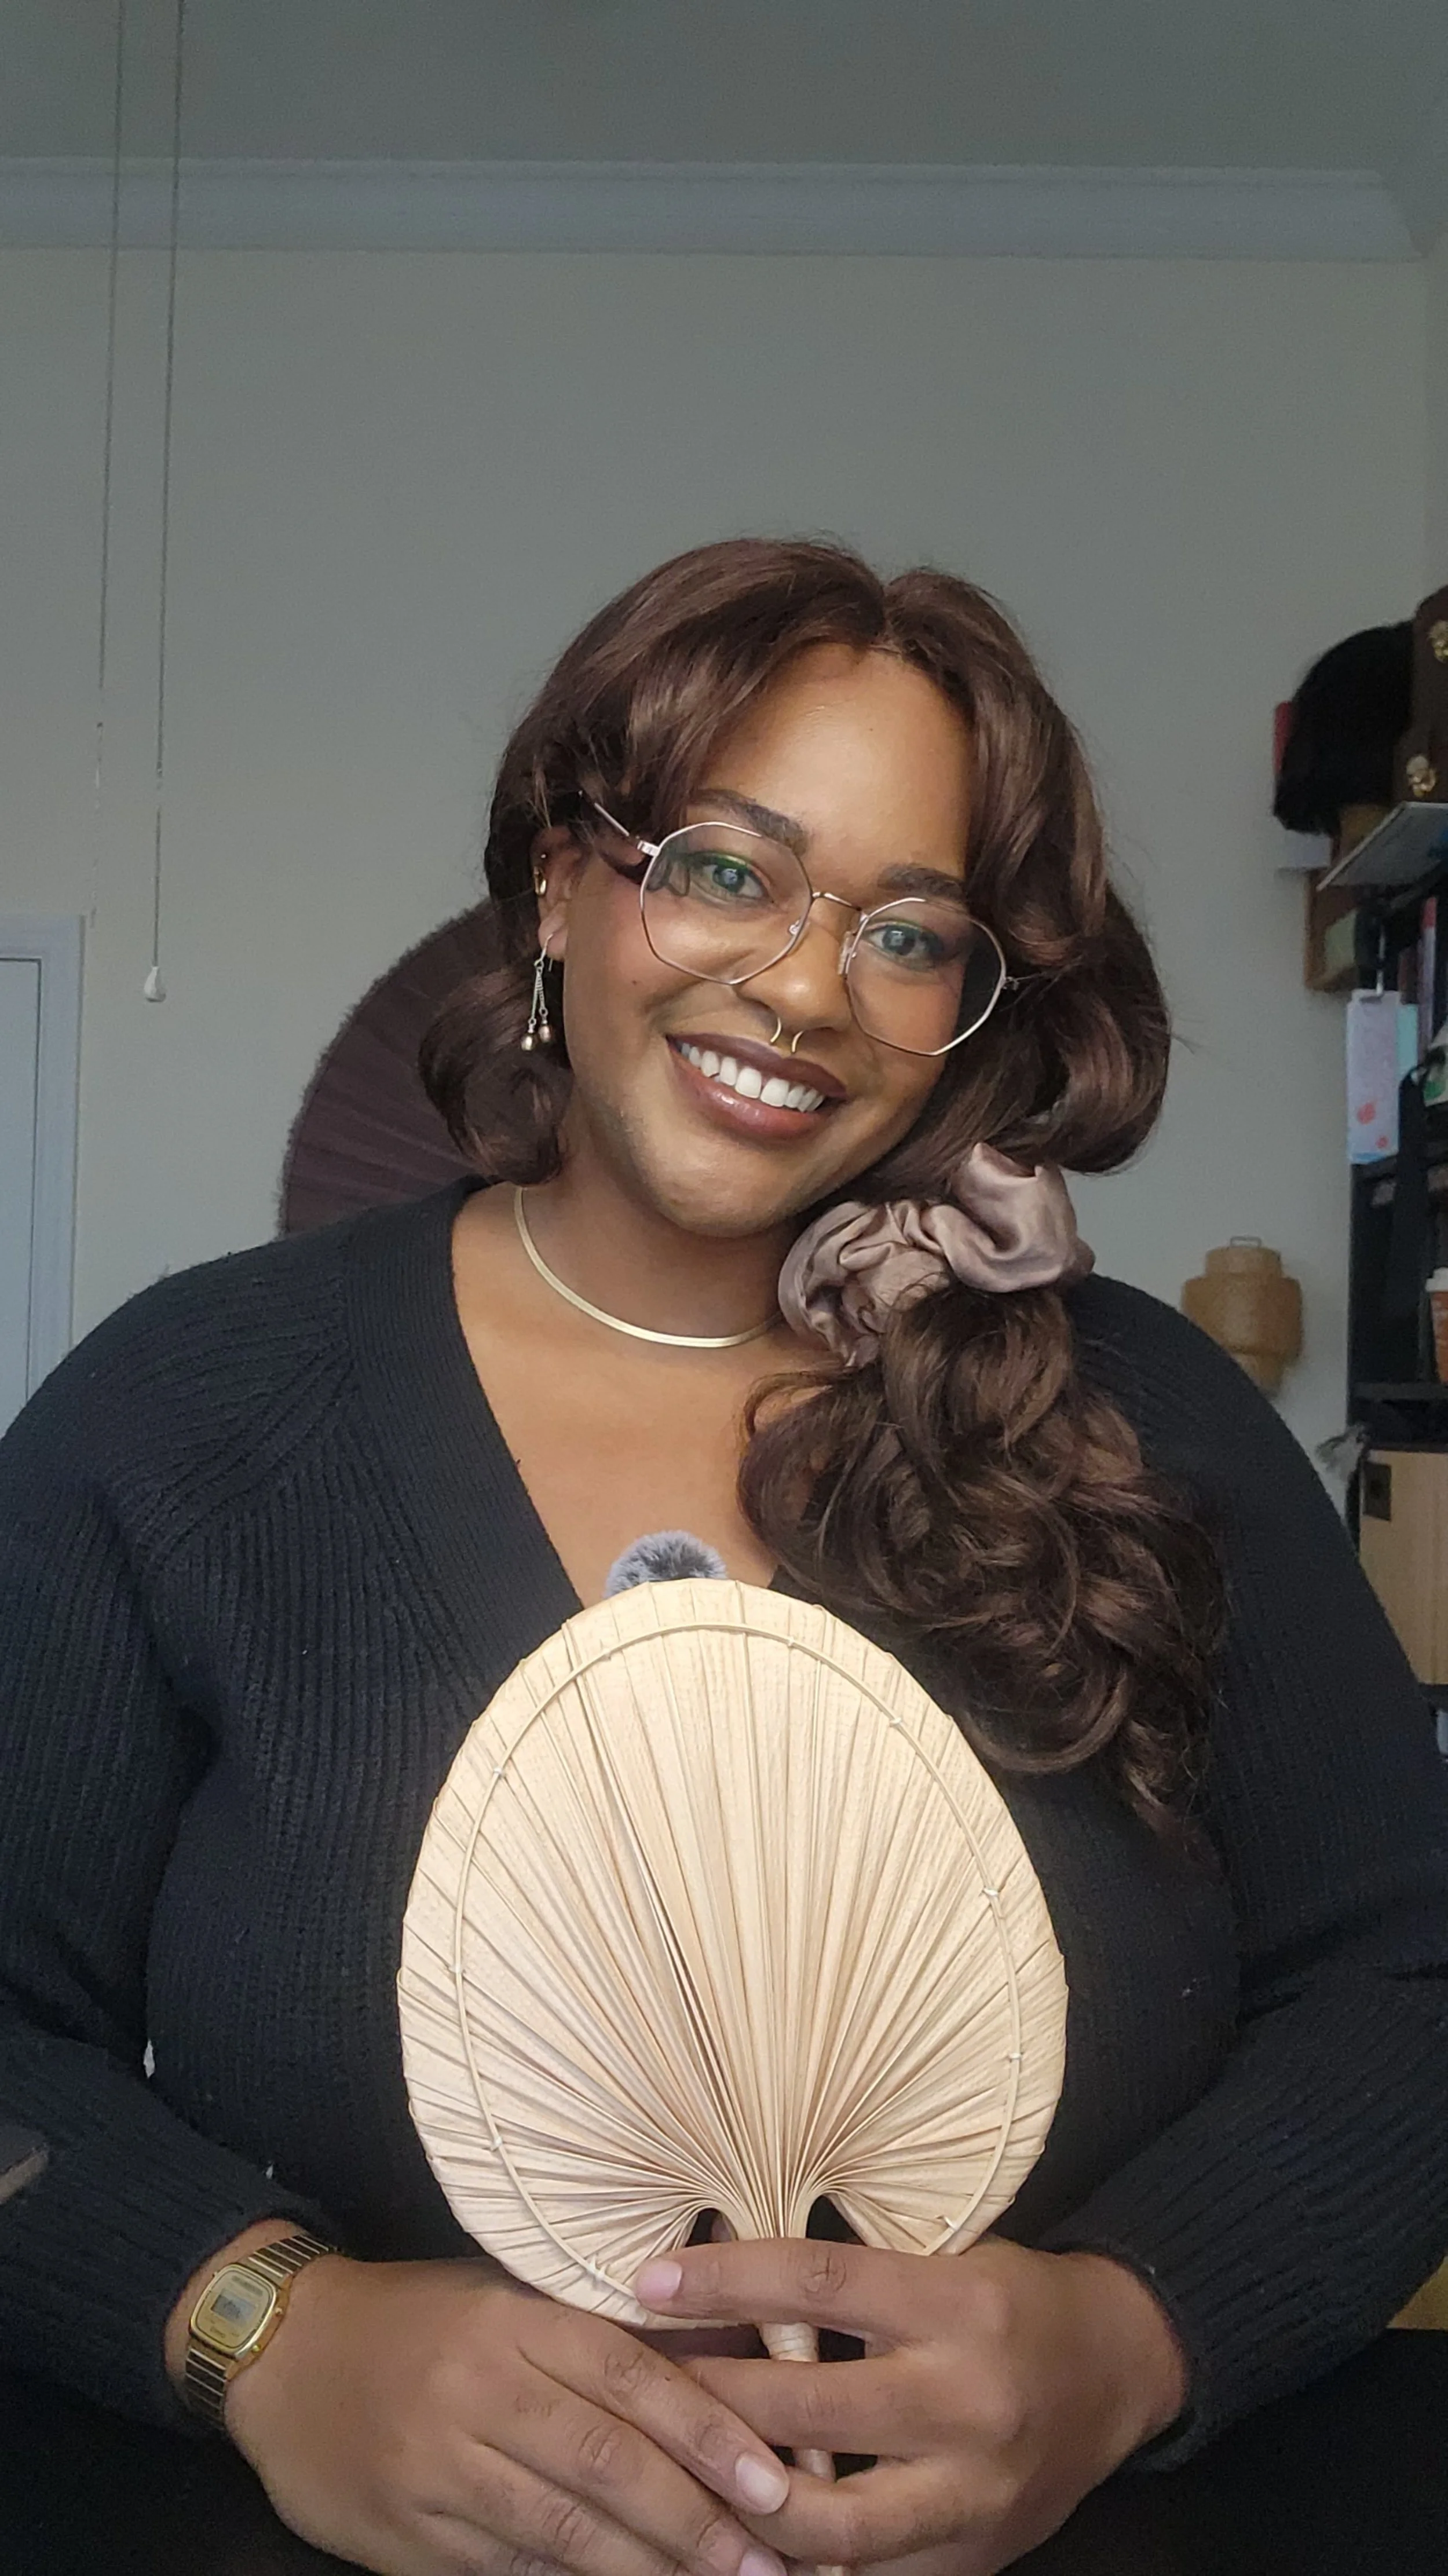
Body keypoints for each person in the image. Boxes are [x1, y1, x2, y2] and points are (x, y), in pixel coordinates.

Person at [2, 536, 1446, 2576]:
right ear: (558, 881)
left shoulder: (1134, 1415)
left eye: (908, 928)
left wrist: (1133, 2335)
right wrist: (254, 2325)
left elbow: (1406, 1977)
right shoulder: (190, 1417)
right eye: (725, 867)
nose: (799, 984)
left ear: (969, 1006)